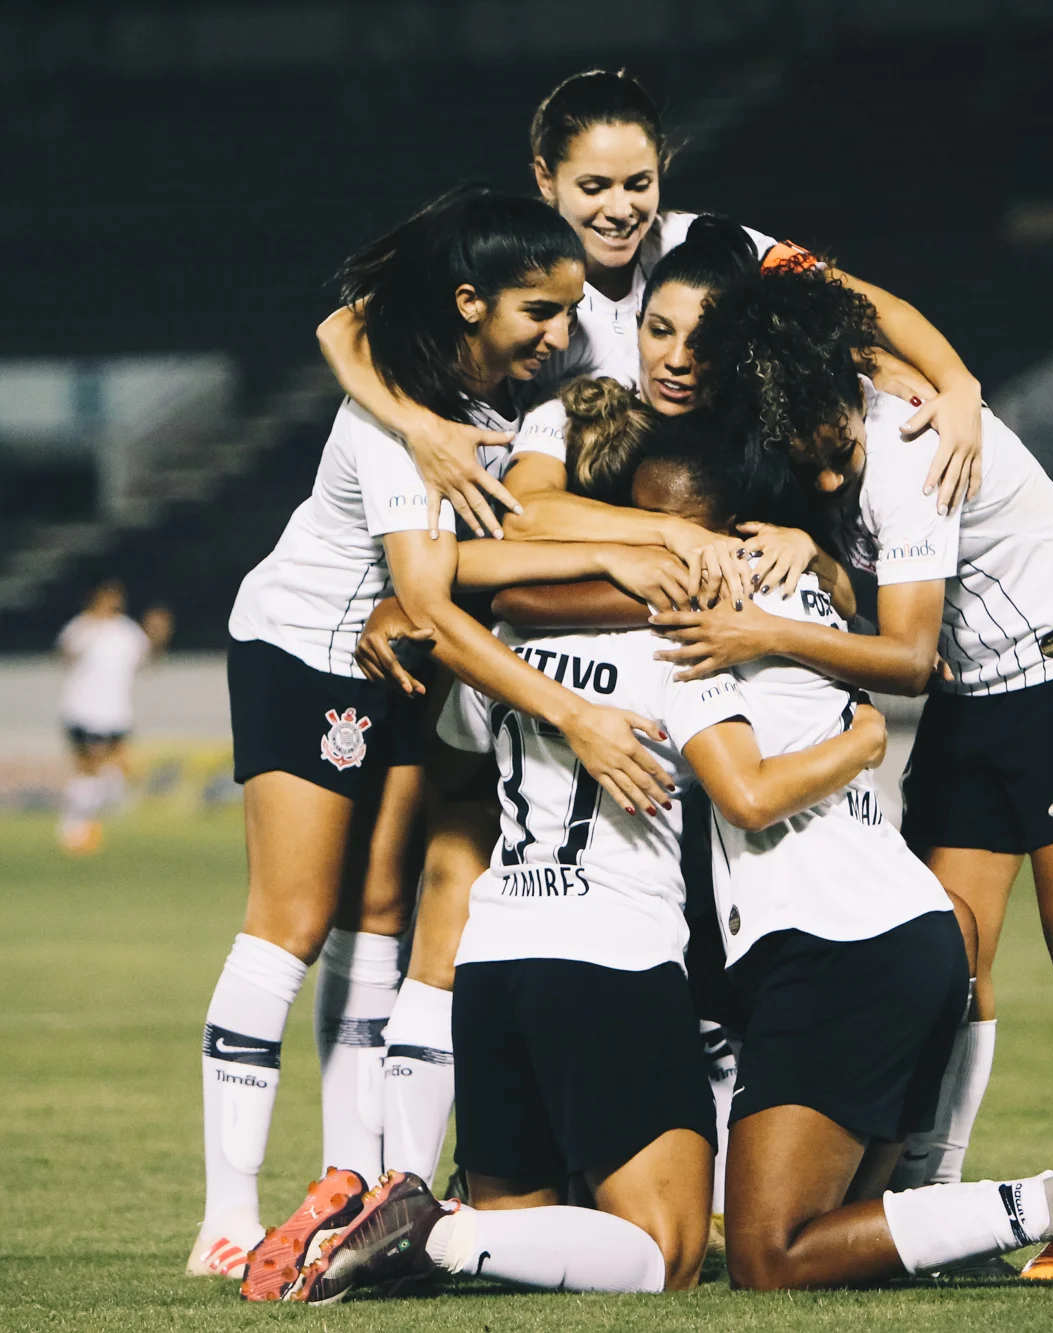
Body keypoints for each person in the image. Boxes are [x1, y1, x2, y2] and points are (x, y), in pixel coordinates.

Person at [285, 421, 1053, 1303]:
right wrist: (864, 737)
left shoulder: (588, 637)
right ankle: (441, 1228)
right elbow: (772, 763)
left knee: (750, 1243)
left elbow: (475, 748)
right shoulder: (742, 615)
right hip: (773, 939)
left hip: (537, 951)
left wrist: (423, 609)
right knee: (719, 1243)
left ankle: (433, 1216)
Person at [193, 186, 690, 1293]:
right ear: (469, 303)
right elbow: (425, 591)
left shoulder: (496, 383)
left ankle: (349, 1178)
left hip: (407, 658)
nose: (562, 337)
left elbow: (475, 548)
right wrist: (572, 708)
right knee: (292, 917)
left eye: (568, 313)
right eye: (537, 315)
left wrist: (639, 538)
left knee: (381, 912)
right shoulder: (396, 412)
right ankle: (224, 1215)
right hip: (311, 648)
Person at [658, 262, 1053, 1287]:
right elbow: (895, 612)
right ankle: (934, 1207)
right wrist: (814, 551)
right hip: (978, 692)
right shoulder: (818, 416)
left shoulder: (902, 445)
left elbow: (904, 656)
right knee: (957, 943)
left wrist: (757, 627)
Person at [350, 218, 845, 1210]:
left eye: (697, 342)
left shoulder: (766, 427)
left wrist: (803, 547)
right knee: (448, 869)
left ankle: (439, 1196)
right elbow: (513, 526)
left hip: (666, 743)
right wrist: (655, 554)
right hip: (598, 720)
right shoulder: (587, 404)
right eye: (657, 330)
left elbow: (832, 567)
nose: (672, 357)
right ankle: (395, 1178)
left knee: (710, 938)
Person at [315, 68, 985, 545]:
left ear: (663, 167)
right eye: (593, 186)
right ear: (545, 179)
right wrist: (420, 430)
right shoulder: (512, 259)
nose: (620, 207)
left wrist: (955, 383)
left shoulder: (705, 243)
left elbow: (860, 303)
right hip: (587, 533)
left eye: (639, 183)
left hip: (722, 520)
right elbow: (344, 325)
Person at [53, 580, 173, 855]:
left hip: (115, 712)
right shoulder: (83, 627)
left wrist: (158, 636)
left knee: (114, 771)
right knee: (87, 768)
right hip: (82, 708)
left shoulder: (125, 631)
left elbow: (148, 658)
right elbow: (64, 654)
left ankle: (80, 819)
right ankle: (75, 827)